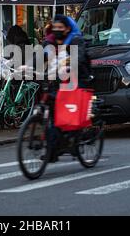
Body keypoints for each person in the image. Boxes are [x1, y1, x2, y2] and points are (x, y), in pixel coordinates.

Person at [43, 15, 92, 162]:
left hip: (77, 79)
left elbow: (79, 58)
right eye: (54, 27)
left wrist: (69, 66)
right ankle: (53, 148)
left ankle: (74, 142)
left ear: (67, 29)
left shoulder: (75, 40)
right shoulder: (49, 41)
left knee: (69, 113)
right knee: (50, 111)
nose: (57, 30)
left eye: (60, 28)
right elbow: (41, 56)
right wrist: (27, 66)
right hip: (57, 80)